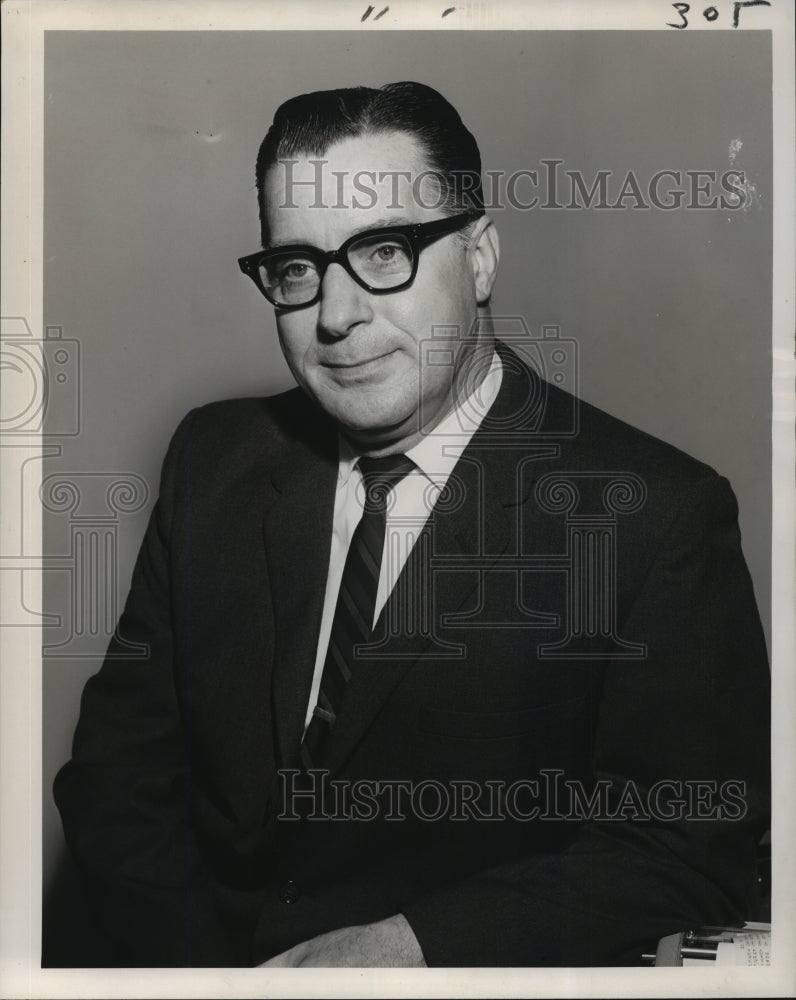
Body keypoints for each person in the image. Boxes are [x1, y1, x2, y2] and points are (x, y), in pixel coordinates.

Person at [53, 81, 770, 968]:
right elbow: (119, 782)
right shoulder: (215, 461)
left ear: (479, 259)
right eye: (298, 269)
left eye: (384, 250)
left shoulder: (656, 516)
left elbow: (684, 850)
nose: (338, 315)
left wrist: (412, 951)